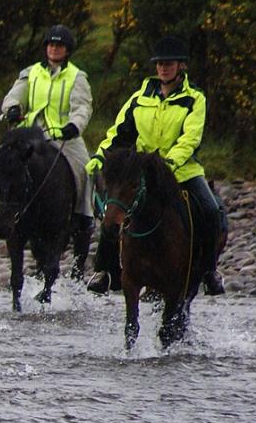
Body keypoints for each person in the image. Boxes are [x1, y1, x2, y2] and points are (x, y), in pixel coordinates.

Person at [84, 35, 226, 296]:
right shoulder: (140, 97)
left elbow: (190, 138)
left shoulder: (195, 98)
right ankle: (104, 271)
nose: (163, 68)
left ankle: (209, 271)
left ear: (180, 66)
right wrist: (100, 156)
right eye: (160, 63)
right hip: (141, 173)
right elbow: (119, 133)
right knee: (111, 209)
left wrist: (169, 161)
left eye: (169, 64)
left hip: (181, 171)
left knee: (211, 209)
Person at [0, 24, 96, 277]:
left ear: (67, 50)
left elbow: (82, 108)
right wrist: (12, 108)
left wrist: (74, 126)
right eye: (51, 45)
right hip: (29, 134)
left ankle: (84, 214)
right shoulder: (30, 72)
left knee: (84, 167)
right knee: (1, 161)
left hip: (62, 135)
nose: (54, 49)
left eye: (59, 46)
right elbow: (14, 96)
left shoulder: (77, 77)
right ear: (45, 47)